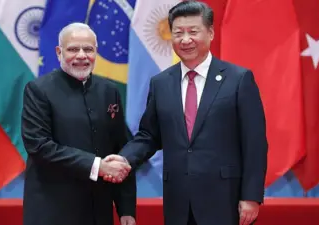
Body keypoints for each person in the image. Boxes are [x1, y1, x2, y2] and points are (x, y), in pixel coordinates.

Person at [104, 1, 268, 225]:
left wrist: (251, 196)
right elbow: (149, 136)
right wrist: (124, 158)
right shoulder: (161, 83)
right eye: (178, 33)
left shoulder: (238, 79)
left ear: (210, 33)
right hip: (178, 201)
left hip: (225, 200)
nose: (185, 39)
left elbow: (254, 142)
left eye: (193, 31)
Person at [21, 23, 136, 225]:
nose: (81, 55)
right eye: (73, 49)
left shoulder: (110, 90)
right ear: (59, 52)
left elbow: (120, 150)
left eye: (88, 49)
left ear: (96, 52)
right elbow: (39, 146)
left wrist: (126, 209)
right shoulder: (38, 90)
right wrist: (98, 166)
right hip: (53, 211)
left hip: (99, 211)